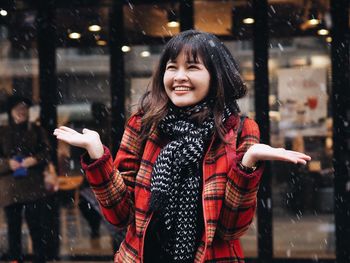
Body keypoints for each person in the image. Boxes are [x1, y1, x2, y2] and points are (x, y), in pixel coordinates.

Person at [54, 30, 311, 263]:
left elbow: (230, 229)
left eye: (192, 67)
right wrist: (97, 155)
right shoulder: (144, 125)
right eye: (171, 67)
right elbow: (120, 217)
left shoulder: (240, 130)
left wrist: (247, 165)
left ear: (216, 75)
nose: (179, 77)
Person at [0, 95, 52, 263]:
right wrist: (8, 163)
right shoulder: (2, 131)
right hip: (10, 187)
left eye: (24, 109)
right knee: (13, 227)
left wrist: (34, 159)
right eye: (18, 109)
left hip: (33, 186)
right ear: (11, 111)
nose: (21, 112)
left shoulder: (36, 130)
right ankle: (15, 259)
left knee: (36, 226)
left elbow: (46, 152)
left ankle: (40, 258)